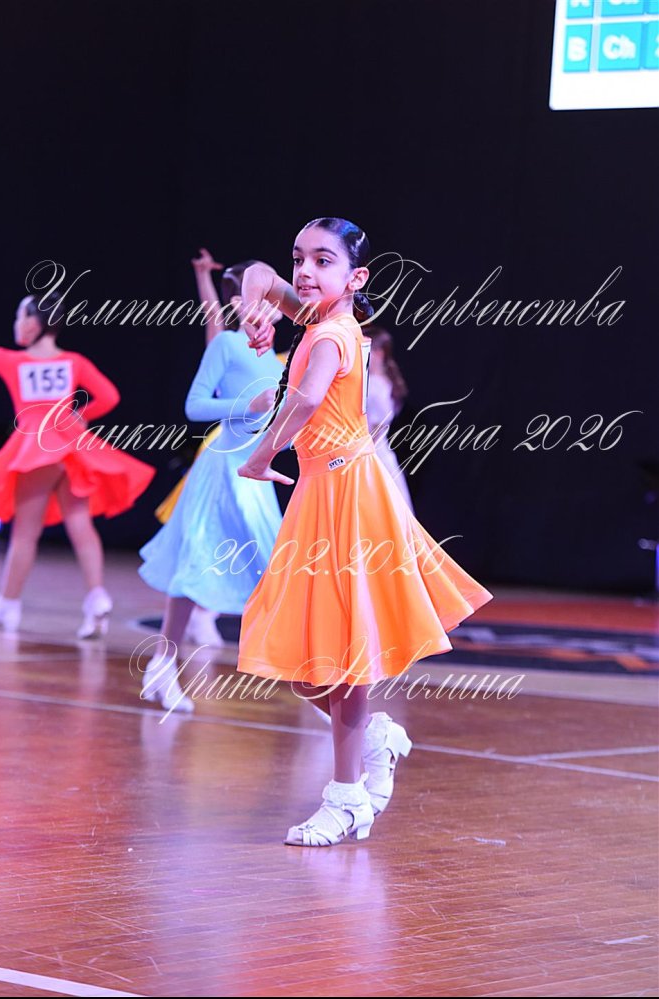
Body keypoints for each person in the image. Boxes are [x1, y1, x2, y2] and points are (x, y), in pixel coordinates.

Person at [234, 216, 494, 847]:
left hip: (348, 495)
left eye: (323, 261)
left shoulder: (332, 333)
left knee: (342, 657)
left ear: (356, 278)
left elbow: (305, 401)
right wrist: (253, 309)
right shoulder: (314, 316)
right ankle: (375, 737)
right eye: (299, 257)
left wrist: (261, 457)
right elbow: (259, 275)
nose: (303, 271)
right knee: (301, 663)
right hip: (321, 492)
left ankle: (346, 798)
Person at [137, 259, 288, 712]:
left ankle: (318, 682)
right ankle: (164, 662)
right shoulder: (226, 343)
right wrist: (248, 404)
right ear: (240, 303)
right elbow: (194, 405)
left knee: (276, 569)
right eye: (264, 294)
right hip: (222, 468)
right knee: (196, 563)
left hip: (255, 473)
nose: (274, 301)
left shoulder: (280, 358)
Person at [0, 291, 155, 637]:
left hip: (36, 448)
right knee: (80, 524)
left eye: (21, 315)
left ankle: (7, 605)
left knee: (25, 533)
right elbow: (109, 396)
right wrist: (79, 415)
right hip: (71, 446)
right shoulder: (73, 362)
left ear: (34, 322)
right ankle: (97, 598)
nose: (16, 323)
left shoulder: (13, 361)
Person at [366, 324, 415, 514]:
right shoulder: (377, 382)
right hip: (375, 452)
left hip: (375, 454)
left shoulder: (376, 385)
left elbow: (377, 427)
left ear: (378, 353)